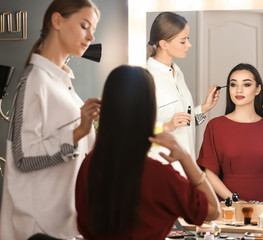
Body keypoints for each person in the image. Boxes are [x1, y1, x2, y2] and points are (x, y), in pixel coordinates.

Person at [75, 65, 220, 239]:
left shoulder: (89, 166)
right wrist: (185, 158)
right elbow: (213, 210)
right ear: (149, 110)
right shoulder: (159, 175)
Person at [0, 0, 100, 239]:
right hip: (38, 230)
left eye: (93, 30)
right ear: (57, 21)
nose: (90, 37)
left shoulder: (63, 85)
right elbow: (23, 157)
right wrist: (78, 132)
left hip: (64, 226)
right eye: (84, 26)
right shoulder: (35, 82)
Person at [146, 12, 220, 177]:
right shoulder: (146, 76)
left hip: (186, 169)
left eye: (188, 38)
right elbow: (134, 129)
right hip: (161, 171)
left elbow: (182, 121)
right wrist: (166, 126)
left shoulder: (177, 72)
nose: (189, 44)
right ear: (164, 43)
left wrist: (203, 108)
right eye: (183, 40)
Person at [197, 63, 263, 202]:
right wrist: (234, 200)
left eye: (246, 85)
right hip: (228, 205)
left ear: (258, 89)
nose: (239, 90)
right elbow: (209, 173)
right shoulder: (216, 126)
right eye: (233, 84)